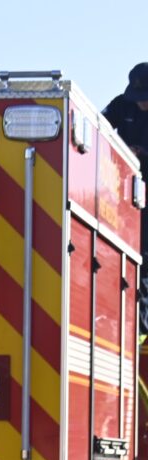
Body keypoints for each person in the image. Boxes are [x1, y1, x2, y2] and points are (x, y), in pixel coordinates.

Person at [104, 63, 148, 332]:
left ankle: (141, 331)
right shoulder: (121, 105)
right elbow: (100, 127)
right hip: (122, 196)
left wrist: (142, 153)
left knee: (145, 261)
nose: (141, 103)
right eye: (138, 97)